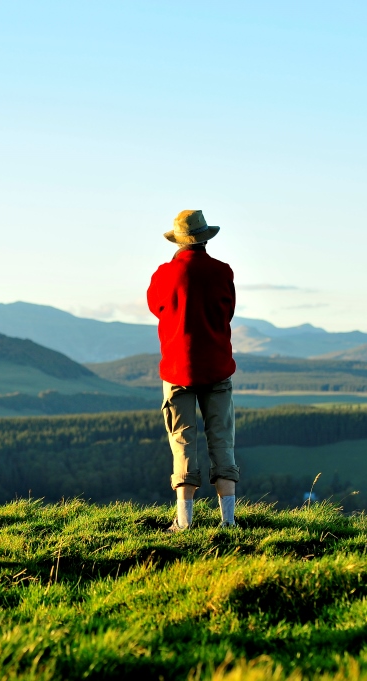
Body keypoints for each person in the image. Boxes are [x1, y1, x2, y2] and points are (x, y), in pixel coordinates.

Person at [147, 209, 239, 531]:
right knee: (222, 441)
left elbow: (156, 307)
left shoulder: (163, 274)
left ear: (179, 240)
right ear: (204, 238)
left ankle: (184, 523)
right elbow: (227, 311)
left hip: (177, 370)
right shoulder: (222, 272)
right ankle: (228, 522)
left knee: (183, 441)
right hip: (216, 367)